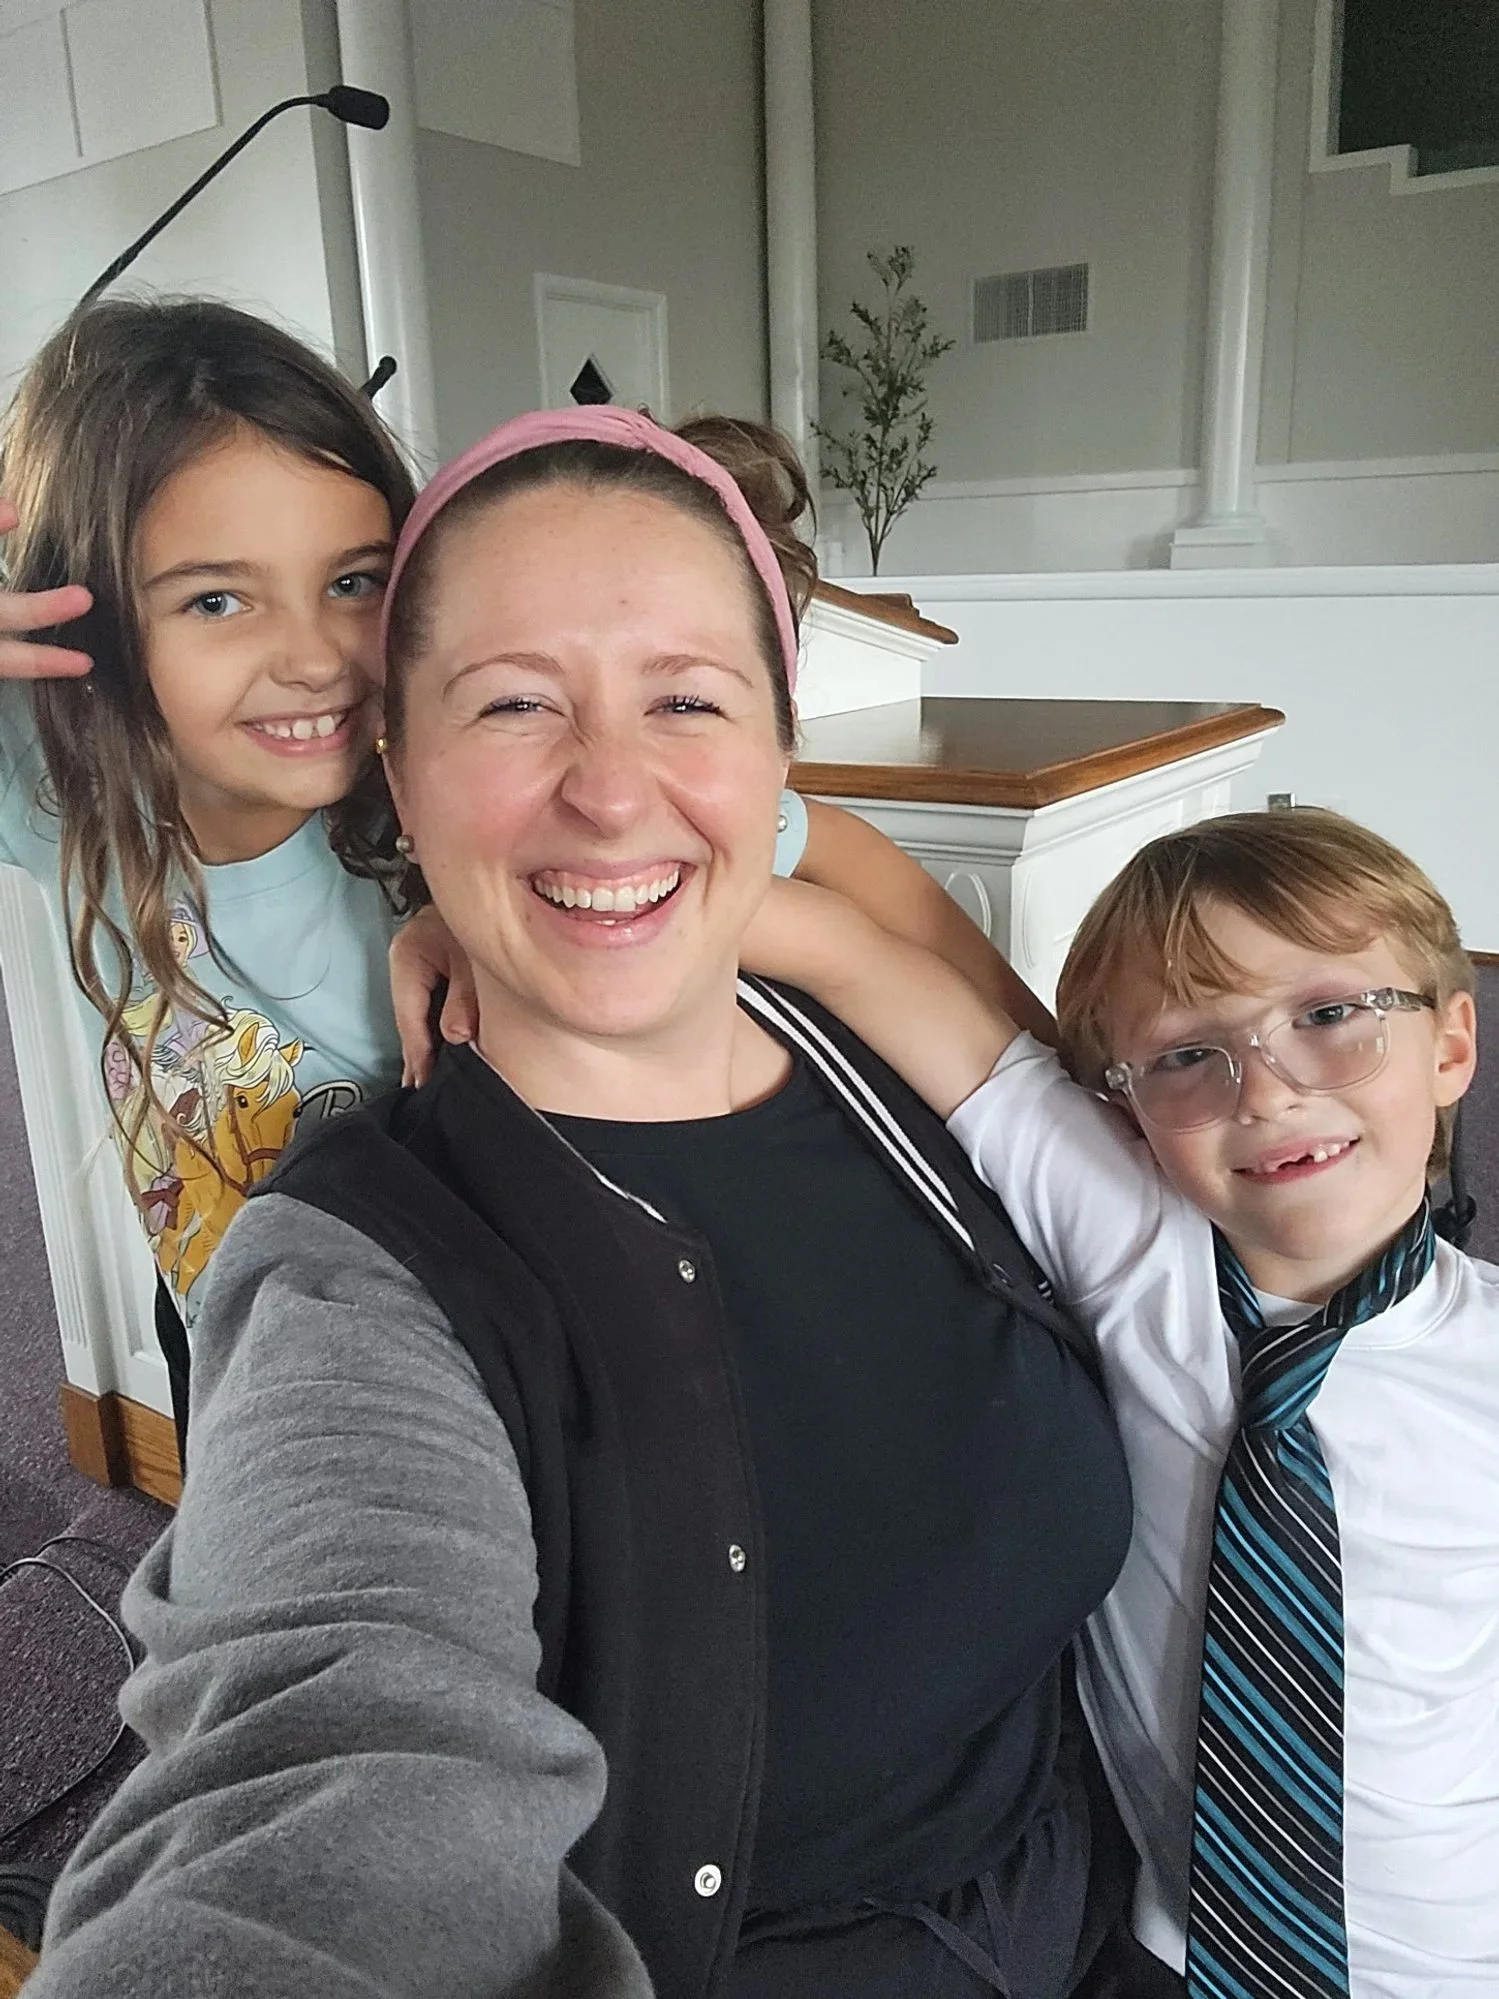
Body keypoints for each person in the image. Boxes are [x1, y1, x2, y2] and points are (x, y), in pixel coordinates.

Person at [24, 406, 1151, 1999]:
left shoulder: (905, 1064)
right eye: (511, 706)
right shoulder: (364, 1284)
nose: (610, 791)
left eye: (685, 698)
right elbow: (328, 1749)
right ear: (397, 769)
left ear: (772, 758)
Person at [0, 297, 1033, 1459]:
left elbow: (831, 846)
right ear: (94, 631)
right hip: (233, 1332)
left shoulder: (479, 816)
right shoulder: (65, 787)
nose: (311, 657)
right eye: (217, 600)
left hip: (489, 1379)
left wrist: (1047, 1073)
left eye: (354, 583)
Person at [743, 809, 1499, 1996]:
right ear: (1126, 1100)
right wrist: (500, 921)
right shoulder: (1126, 1231)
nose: (1266, 1090)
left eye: (1329, 1016)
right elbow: (854, 958)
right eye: (1189, 1053)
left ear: (1451, 1045)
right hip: (1160, 1958)